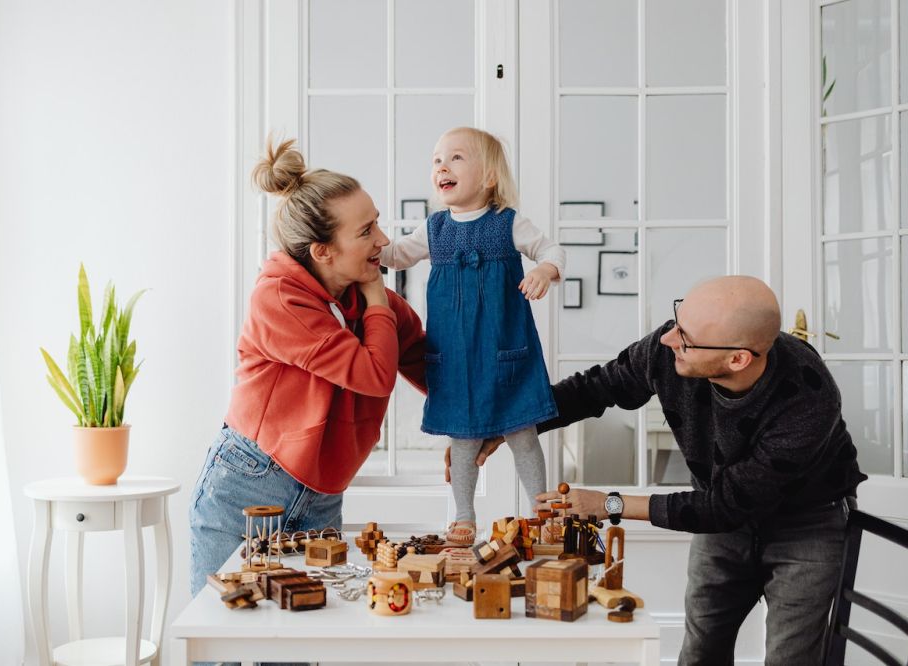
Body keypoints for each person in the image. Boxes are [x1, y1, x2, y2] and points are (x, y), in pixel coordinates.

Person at [467, 276, 866, 666]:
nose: (668, 340)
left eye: (685, 339)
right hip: (723, 525)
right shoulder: (668, 350)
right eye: (678, 321)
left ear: (738, 358)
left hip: (806, 526)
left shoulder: (808, 399)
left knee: (790, 658)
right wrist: (507, 426)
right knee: (700, 652)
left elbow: (725, 505)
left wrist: (608, 503)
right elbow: (596, 388)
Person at [189, 137, 426, 597]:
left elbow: (429, 365)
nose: (382, 241)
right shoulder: (280, 298)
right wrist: (379, 296)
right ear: (322, 251)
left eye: (377, 224)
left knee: (298, 639)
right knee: (225, 641)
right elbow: (374, 374)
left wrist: (479, 424)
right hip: (248, 487)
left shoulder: (372, 305)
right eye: (366, 232)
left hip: (321, 497)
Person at [380, 126, 563, 545]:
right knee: (463, 441)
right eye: (437, 160)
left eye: (456, 157)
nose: (442, 166)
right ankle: (464, 514)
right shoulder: (434, 230)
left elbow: (553, 251)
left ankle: (542, 508)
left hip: (505, 353)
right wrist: (361, 241)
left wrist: (543, 271)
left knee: (523, 435)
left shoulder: (508, 224)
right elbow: (393, 255)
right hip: (457, 358)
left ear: (489, 177)